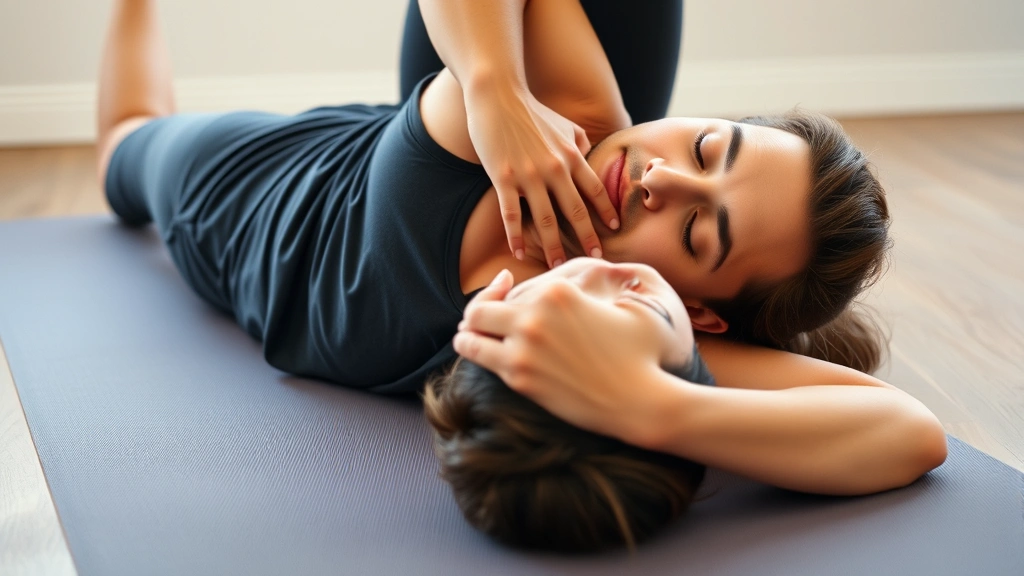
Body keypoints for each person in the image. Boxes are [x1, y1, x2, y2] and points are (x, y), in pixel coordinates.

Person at [96, 0, 946, 546]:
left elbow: (910, 434)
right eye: (705, 145)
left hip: (267, 207)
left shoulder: (650, 330)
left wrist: (658, 406)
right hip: (458, 120)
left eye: (696, 230)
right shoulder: (587, 125)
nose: (659, 178)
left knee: (124, 149)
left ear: (701, 313)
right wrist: (496, 89)